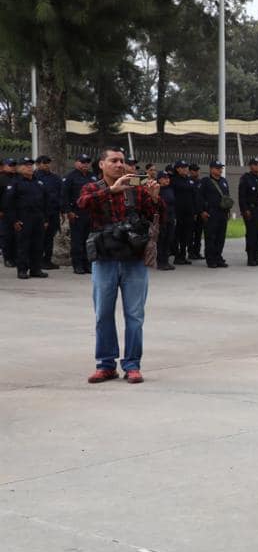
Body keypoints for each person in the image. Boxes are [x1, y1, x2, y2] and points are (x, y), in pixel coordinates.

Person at [77, 147, 164, 384]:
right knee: (103, 314)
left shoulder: (136, 189)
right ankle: (106, 365)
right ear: (101, 165)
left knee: (134, 315)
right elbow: (82, 204)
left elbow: (158, 215)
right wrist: (110, 191)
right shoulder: (93, 187)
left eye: (122, 161)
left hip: (133, 260)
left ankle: (132, 365)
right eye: (113, 161)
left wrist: (155, 197)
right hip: (105, 259)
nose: (119, 165)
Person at [3, 157, 49, 279]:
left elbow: (45, 202)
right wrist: (14, 220)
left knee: (38, 245)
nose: (29, 167)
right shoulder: (15, 182)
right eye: (26, 165)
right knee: (23, 245)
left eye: (31, 165)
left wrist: (45, 219)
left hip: (38, 217)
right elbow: (9, 204)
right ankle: (22, 270)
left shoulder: (38, 182)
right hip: (23, 217)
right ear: (19, 168)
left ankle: (36, 269)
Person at [62, 154, 98, 274]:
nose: (85, 164)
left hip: (91, 212)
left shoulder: (93, 177)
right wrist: (68, 211)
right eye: (82, 162)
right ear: (76, 163)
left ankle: (87, 264)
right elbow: (64, 195)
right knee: (77, 240)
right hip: (77, 212)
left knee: (89, 240)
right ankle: (77, 265)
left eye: (87, 162)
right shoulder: (70, 177)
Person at [199, 160, 230, 268]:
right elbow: (200, 197)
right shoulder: (205, 181)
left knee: (220, 237)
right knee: (210, 237)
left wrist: (228, 211)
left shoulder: (224, 181)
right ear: (211, 169)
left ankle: (218, 257)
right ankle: (211, 259)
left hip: (222, 213)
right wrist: (202, 211)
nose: (220, 170)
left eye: (221, 168)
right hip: (211, 213)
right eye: (218, 168)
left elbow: (227, 197)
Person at [33, 156, 62, 269]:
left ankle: (47, 260)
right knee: (39, 238)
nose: (47, 165)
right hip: (40, 213)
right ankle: (37, 261)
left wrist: (62, 210)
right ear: (38, 164)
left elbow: (61, 193)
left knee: (50, 237)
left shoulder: (55, 178)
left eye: (48, 163)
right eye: (44, 163)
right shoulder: (34, 177)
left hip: (53, 212)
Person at [169, 160, 196, 265]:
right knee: (177, 235)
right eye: (183, 167)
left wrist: (195, 211)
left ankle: (183, 255)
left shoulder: (189, 180)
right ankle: (177, 256)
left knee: (186, 235)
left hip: (189, 212)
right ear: (177, 169)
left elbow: (194, 195)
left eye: (186, 167)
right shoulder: (173, 180)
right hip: (178, 212)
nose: (185, 169)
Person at [156, 170, 176, 271]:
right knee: (161, 240)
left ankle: (166, 261)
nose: (167, 180)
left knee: (169, 240)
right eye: (165, 178)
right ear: (159, 179)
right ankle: (160, 262)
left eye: (168, 178)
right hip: (161, 219)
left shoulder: (170, 189)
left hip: (170, 218)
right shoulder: (157, 189)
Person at [0, 157, 17, 267]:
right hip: (5, 212)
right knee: (7, 236)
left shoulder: (18, 178)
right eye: (10, 165)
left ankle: (16, 257)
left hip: (18, 212)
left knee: (17, 236)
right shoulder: (1, 179)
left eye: (14, 165)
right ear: (4, 167)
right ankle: (8, 258)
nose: (13, 167)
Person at [187, 163, 204, 260]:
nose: (196, 172)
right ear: (190, 171)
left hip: (200, 211)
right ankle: (191, 252)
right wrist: (193, 212)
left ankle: (197, 251)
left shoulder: (200, 182)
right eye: (194, 170)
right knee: (191, 234)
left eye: (197, 170)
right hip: (192, 212)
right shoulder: (188, 182)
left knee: (198, 233)